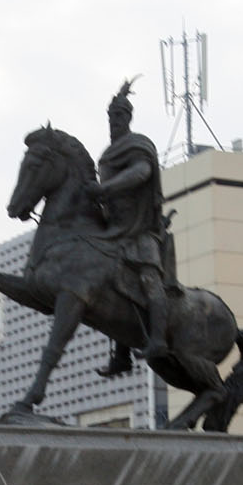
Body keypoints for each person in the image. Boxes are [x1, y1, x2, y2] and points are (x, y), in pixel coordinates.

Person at [90, 79, 180, 374]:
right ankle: (121, 355)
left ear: (128, 118)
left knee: (148, 280)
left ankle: (157, 340)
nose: (113, 122)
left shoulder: (138, 145)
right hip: (114, 227)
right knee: (111, 286)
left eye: (118, 117)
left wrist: (108, 188)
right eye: (110, 117)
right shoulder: (108, 151)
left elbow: (142, 172)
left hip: (141, 228)